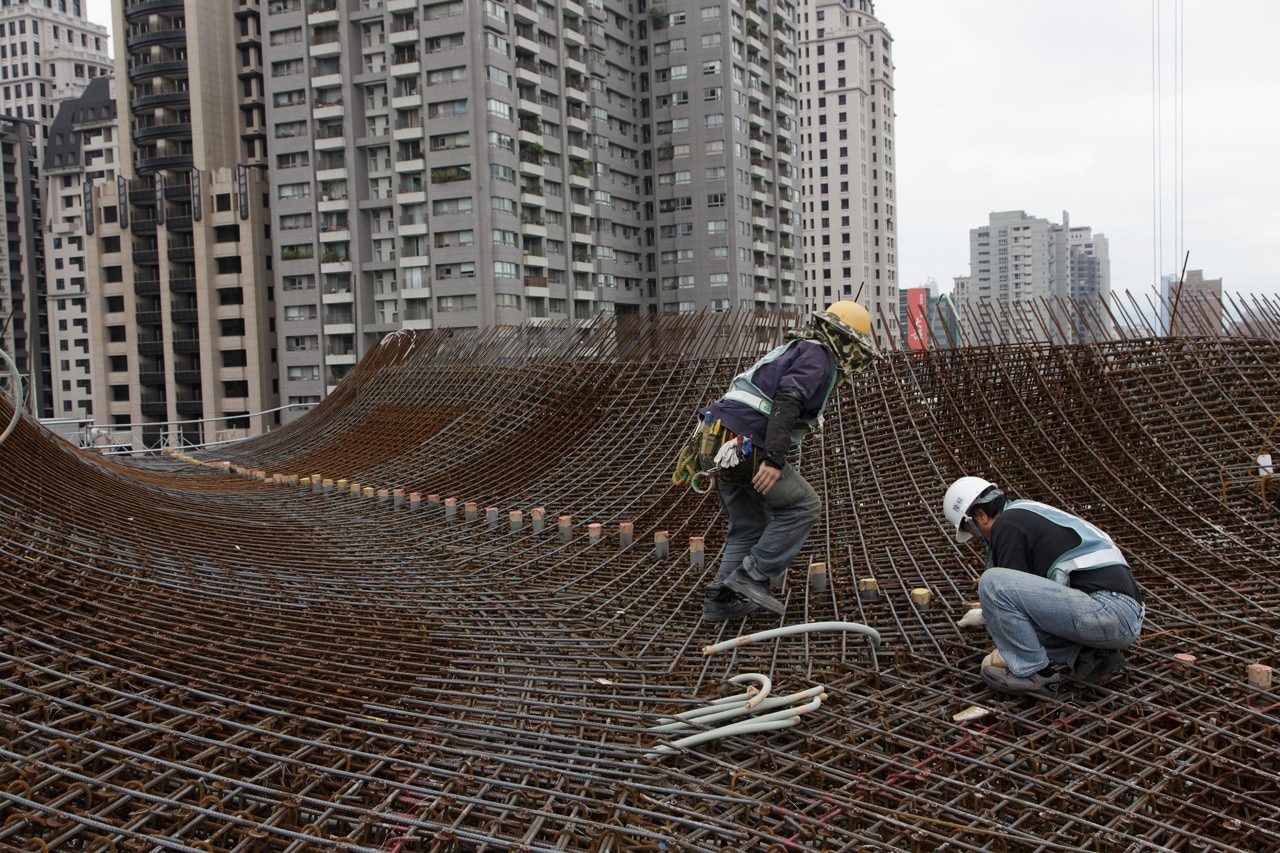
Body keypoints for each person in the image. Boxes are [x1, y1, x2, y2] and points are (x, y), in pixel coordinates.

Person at [697, 301, 879, 622]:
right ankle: (752, 576)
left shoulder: (795, 348)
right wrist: (773, 459)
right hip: (742, 443)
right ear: (847, 341)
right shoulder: (818, 355)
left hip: (715, 437)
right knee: (804, 505)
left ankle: (720, 601)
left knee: (748, 525)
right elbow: (789, 397)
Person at [942, 476, 1145, 698]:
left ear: (980, 516)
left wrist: (993, 620)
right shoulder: (1026, 514)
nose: (975, 537)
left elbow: (1006, 590)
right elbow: (1029, 601)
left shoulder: (1007, 524)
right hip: (1121, 616)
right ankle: (1088, 657)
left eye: (971, 531)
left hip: (1106, 609)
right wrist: (986, 615)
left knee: (992, 582)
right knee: (1013, 625)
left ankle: (1032, 672)